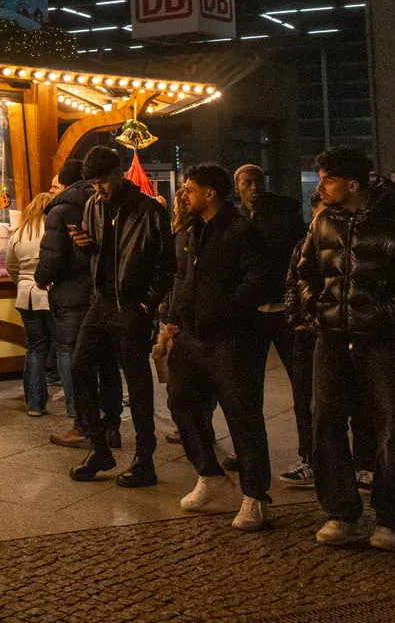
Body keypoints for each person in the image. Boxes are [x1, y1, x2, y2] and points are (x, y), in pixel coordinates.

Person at [290, 146, 395, 551]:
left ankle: (392, 518)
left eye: (328, 179)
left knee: (389, 429)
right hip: (332, 339)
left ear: (352, 184)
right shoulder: (322, 223)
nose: (320, 186)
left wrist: (384, 316)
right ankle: (342, 512)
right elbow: (303, 270)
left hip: (383, 344)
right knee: (325, 420)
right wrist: (313, 306)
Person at [161, 163, 273, 531]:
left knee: (242, 416)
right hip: (190, 337)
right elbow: (181, 277)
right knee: (181, 402)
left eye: (190, 189)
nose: (184, 195)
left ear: (210, 193)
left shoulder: (241, 232)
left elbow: (259, 281)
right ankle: (208, 474)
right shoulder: (189, 231)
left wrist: (223, 311)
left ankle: (255, 496)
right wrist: (172, 318)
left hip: (230, 340)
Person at [68, 145, 173, 487]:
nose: (98, 188)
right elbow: (96, 254)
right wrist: (83, 246)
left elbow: (165, 266)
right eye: (93, 183)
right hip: (101, 303)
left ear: (118, 174)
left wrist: (145, 305)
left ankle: (145, 458)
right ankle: (99, 446)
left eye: (102, 181)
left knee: (138, 382)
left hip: (130, 306)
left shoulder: (148, 210)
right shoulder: (93, 205)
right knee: (80, 367)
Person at [283, 191, 377, 490]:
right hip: (313, 331)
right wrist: (301, 316)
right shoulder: (306, 244)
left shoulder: (355, 245)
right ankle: (310, 458)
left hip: (346, 332)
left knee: (358, 400)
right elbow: (295, 280)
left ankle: (365, 464)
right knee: (306, 399)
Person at [233, 164, 313, 484]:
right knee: (247, 389)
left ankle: (309, 455)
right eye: (247, 183)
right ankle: (249, 452)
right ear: (237, 187)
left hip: (283, 311)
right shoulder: (237, 218)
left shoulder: (283, 213)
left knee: (303, 387)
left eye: (258, 182)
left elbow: (296, 255)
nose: (254, 187)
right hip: (253, 314)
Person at [42, 159, 118, 440]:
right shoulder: (105, 204)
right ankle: (111, 427)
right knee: (108, 364)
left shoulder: (60, 211)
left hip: (73, 295)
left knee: (76, 361)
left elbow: (52, 255)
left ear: (63, 185)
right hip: (105, 295)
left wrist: (41, 277)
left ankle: (82, 424)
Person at [7, 191, 55, 416]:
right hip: (51, 295)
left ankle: (35, 403)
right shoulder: (54, 232)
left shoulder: (18, 234)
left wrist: (22, 282)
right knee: (64, 348)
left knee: (34, 348)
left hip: (25, 296)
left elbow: (11, 266)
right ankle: (74, 405)